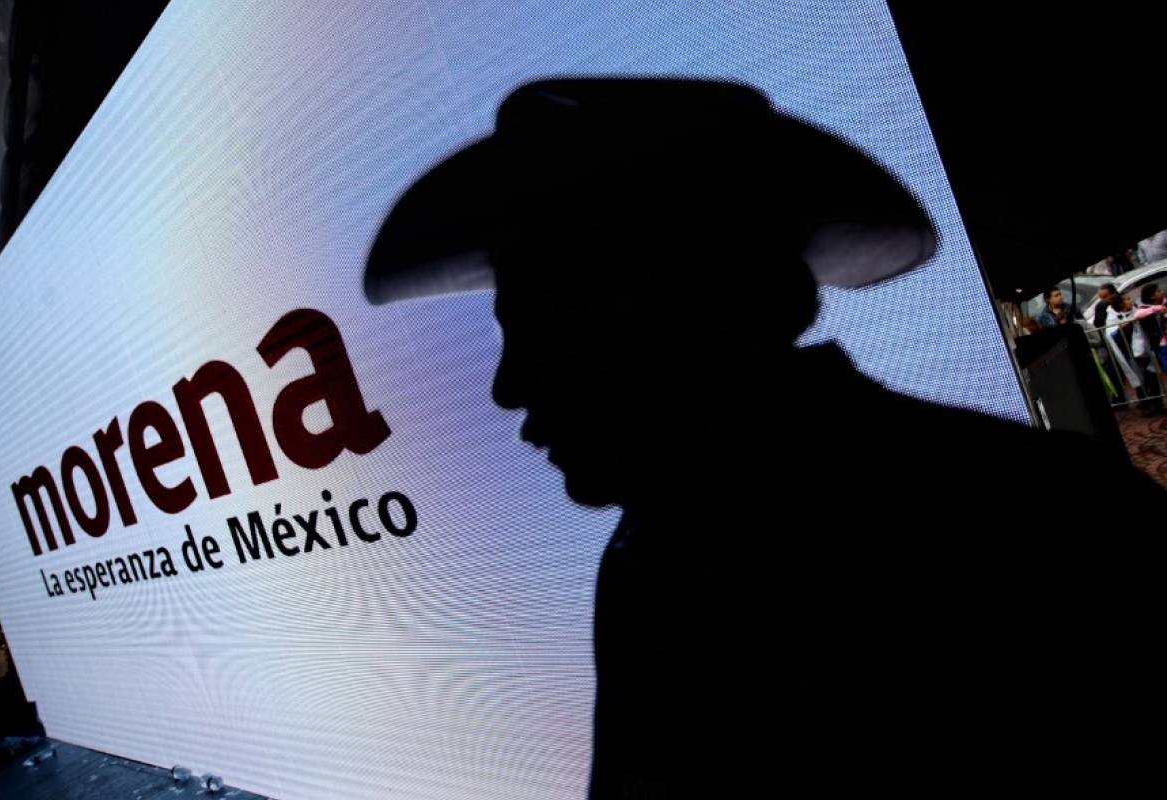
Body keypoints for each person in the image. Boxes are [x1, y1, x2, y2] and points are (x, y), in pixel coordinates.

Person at [364, 79, 1163, 795]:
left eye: (547, 328)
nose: (508, 386)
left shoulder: (1039, 529)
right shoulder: (658, 554)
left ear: (674, 315)